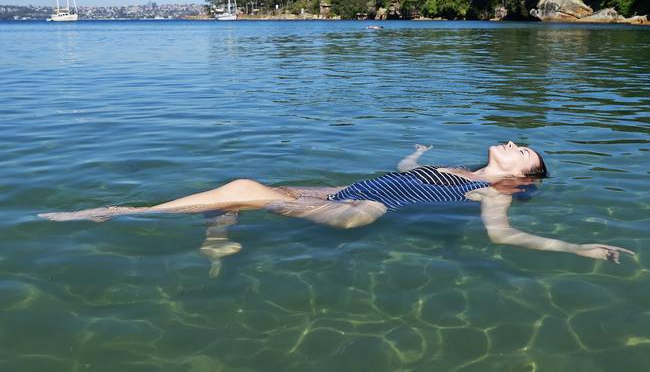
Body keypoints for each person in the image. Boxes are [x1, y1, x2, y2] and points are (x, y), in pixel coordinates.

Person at [39, 142, 634, 268]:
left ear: (523, 174)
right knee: (243, 190)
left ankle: (117, 212)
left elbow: (502, 238)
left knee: (243, 184)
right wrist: (414, 154)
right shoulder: (455, 168)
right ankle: (218, 238)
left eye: (520, 149)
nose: (509, 142)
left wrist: (577, 247)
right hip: (346, 191)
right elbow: (406, 175)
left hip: (356, 212)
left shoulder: (488, 189)